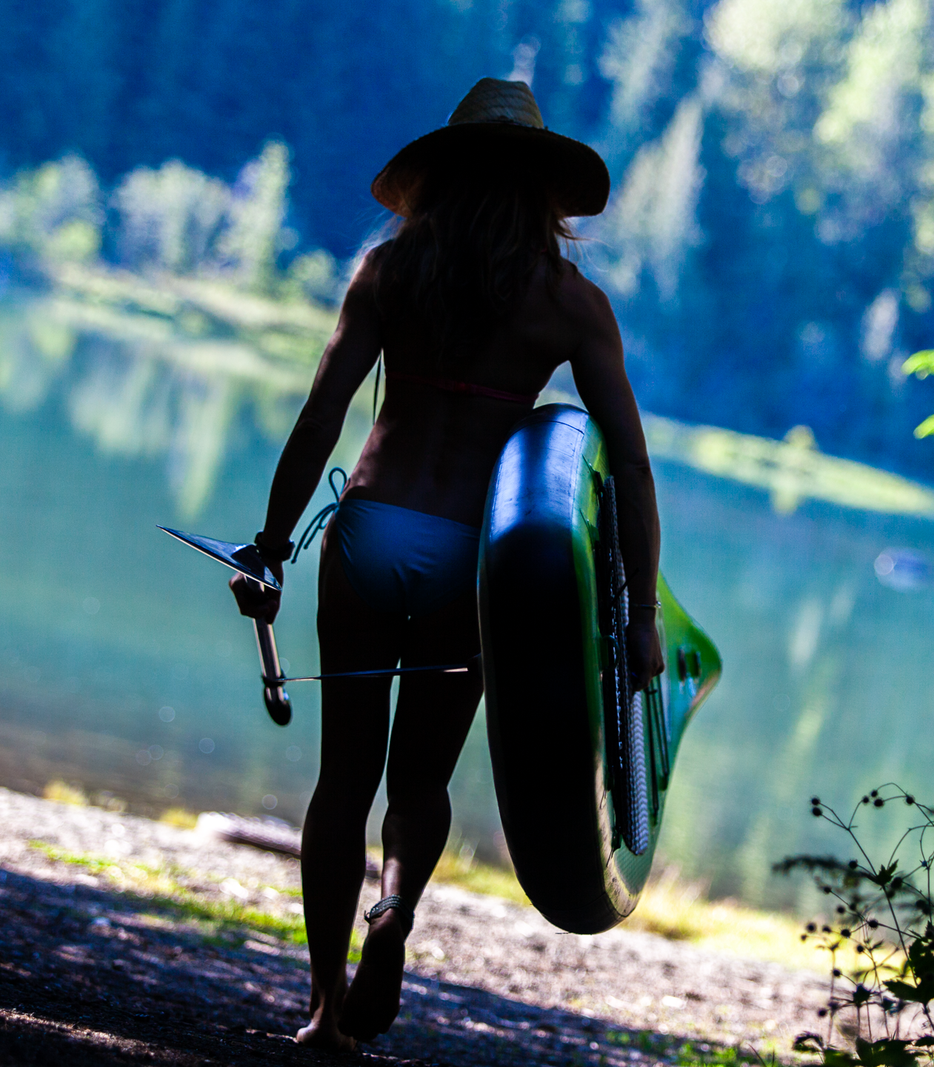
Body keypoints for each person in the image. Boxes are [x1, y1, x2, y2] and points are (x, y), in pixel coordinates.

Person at [228, 78, 664, 1050]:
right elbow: (626, 463)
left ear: (442, 177)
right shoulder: (569, 303)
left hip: (373, 528)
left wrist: (269, 541)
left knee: (345, 775)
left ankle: (323, 1008)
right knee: (418, 780)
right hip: (478, 560)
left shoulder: (389, 271)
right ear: (546, 193)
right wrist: (635, 612)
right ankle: (393, 910)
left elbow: (321, 415)